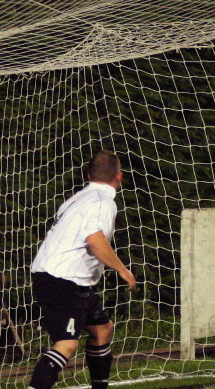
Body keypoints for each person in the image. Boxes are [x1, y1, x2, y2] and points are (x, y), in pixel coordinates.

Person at [28, 150, 136, 389]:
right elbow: (94, 240)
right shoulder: (102, 201)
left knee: (102, 330)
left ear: (88, 175)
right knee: (67, 343)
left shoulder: (79, 198)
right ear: (119, 177)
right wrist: (122, 269)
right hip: (64, 278)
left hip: (65, 277)